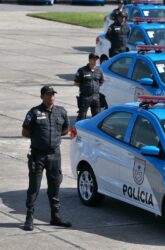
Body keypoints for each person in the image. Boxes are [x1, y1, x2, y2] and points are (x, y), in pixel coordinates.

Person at [22, 86, 71, 231]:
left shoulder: (61, 111)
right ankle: (29, 218)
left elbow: (65, 129)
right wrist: (39, 139)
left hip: (55, 154)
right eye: (48, 95)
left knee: (54, 186)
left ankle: (55, 217)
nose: (51, 97)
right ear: (42, 96)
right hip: (38, 155)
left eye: (53, 95)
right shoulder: (34, 112)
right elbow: (25, 132)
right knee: (34, 188)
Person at [74, 53, 104, 121]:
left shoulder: (99, 71)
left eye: (96, 59)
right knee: (82, 116)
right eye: (93, 59)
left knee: (97, 117)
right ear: (89, 60)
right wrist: (85, 88)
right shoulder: (82, 70)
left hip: (96, 97)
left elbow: (101, 81)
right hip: (85, 97)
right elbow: (76, 82)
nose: (95, 61)